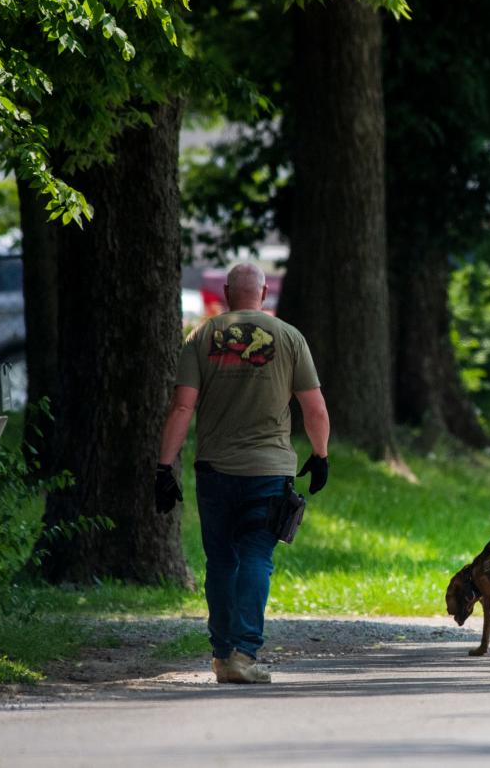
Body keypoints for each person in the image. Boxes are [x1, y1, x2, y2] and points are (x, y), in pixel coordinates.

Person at [154, 263, 331, 684]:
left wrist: (164, 466)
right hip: (269, 472)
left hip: (214, 470)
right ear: (264, 292)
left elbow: (182, 407)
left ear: (230, 294)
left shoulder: (201, 337)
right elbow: (315, 408)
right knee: (256, 556)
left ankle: (220, 654)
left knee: (220, 561)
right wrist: (320, 455)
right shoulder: (289, 337)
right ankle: (244, 654)